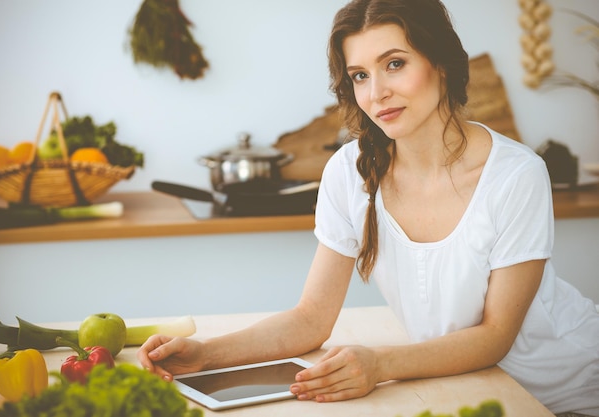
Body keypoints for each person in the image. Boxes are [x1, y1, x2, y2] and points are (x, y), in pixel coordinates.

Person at [137, 0, 599, 415]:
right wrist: (205, 354)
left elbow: (495, 336)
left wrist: (380, 363)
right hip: (469, 387)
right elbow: (311, 319)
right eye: (360, 75)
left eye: (394, 64)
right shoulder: (350, 172)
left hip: (566, 389)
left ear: (440, 63)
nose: (376, 92)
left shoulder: (515, 175)